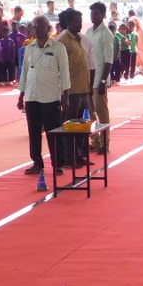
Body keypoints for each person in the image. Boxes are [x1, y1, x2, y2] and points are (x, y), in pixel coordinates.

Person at [17, 15, 69, 176]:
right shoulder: (29, 48)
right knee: (33, 132)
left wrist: (65, 97)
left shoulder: (58, 48)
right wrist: (21, 95)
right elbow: (24, 72)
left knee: (54, 132)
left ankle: (58, 164)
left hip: (50, 96)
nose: (36, 30)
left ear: (48, 29)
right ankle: (37, 163)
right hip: (31, 95)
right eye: (34, 27)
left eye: (39, 27)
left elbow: (65, 73)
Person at [57, 9, 92, 167]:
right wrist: (63, 94)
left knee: (81, 126)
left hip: (82, 88)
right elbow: (59, 68)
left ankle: (78, 155)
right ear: (69, 22)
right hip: (71, 91)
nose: (80, 24)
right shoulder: (62, 40)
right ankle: (68, 158)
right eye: (78, 21)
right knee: (70, 126)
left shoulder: (78, 38)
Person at [86, 3, 115, 156]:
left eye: (96, 13)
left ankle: (105, 143)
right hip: (89, 79)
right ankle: (95, 141)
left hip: (99, 80)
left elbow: (109, 60)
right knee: (90, 114)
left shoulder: (106, 34)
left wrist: (103, 81)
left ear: (103, 15)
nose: (93, 16)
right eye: (91, 13)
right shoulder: (88, 32)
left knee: (102, 113)